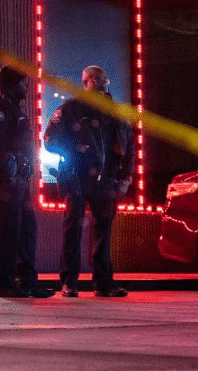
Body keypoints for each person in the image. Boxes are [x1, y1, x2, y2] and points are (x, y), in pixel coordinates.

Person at [45, 65, 134, 298]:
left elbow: (129, 147)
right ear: (87, 82)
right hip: (76, 178)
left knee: (103, 231)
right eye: (95, 79)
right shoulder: (72, 109)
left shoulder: (117, 113)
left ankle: (103, 283)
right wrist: (74, 150)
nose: (100, 82)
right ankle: (69, 282)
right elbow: (49, 139)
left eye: (101, 78)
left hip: (106, 180)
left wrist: (126, 177)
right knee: (73, 228)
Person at [0, 64, 54, 298]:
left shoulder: (15, 110)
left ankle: (26, 281)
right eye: (23, 83)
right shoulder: (0, 111)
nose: (27, 86)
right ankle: (3, 282)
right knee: (7, 232)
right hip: (7, 183)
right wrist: (8, 176)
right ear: (13, 85)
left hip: (20, 181)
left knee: (26, 230)